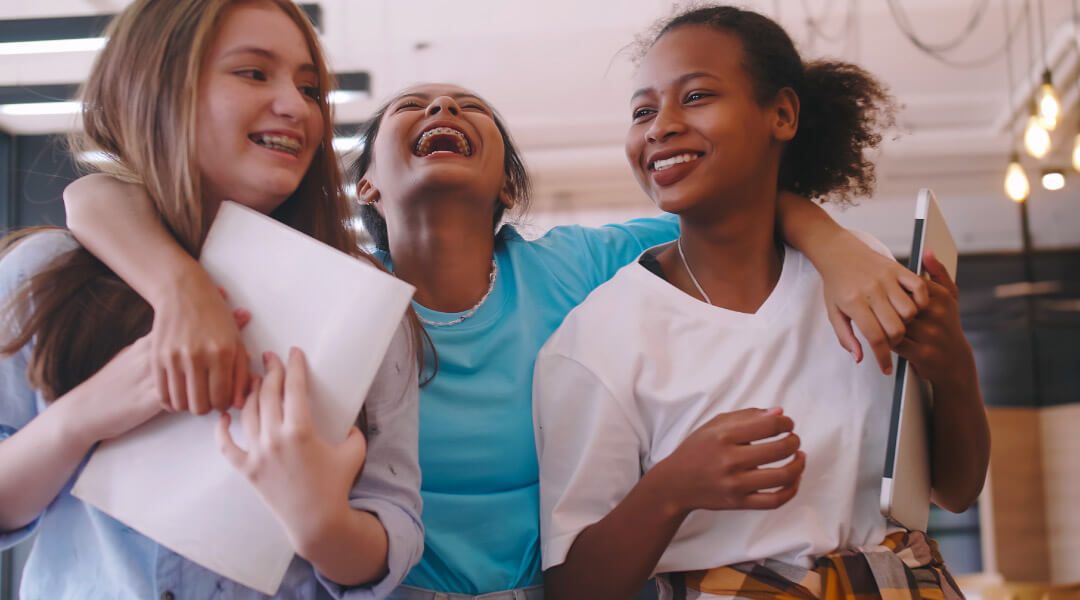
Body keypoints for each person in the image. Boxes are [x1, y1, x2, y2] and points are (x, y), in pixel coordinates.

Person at [65, 69, 928, 600]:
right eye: (413, 104)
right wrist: (175, 283)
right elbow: (97, 193)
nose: (443, 105)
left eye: (467, 106)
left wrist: (838, 248)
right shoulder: (330, 295)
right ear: (364, 187)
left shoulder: (578, 268)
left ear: (505, 185)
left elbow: (735, 206)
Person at [533, 6, 990, 600]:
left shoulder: (861, 274)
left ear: (781, 113)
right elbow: (574, 590)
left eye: (695, 96)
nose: (660, 126)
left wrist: (954, 367)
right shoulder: (596, 339)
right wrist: (671, 488)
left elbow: (955, 490)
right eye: (643, 110)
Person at [0, 1, 423, 598]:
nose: (295, 106)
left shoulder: (364, 309)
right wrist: (83, 415)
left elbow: (395, 526)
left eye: (308, 87)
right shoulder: (44, 277)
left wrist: (321, 521)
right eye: (253, 73)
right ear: (158, 89)